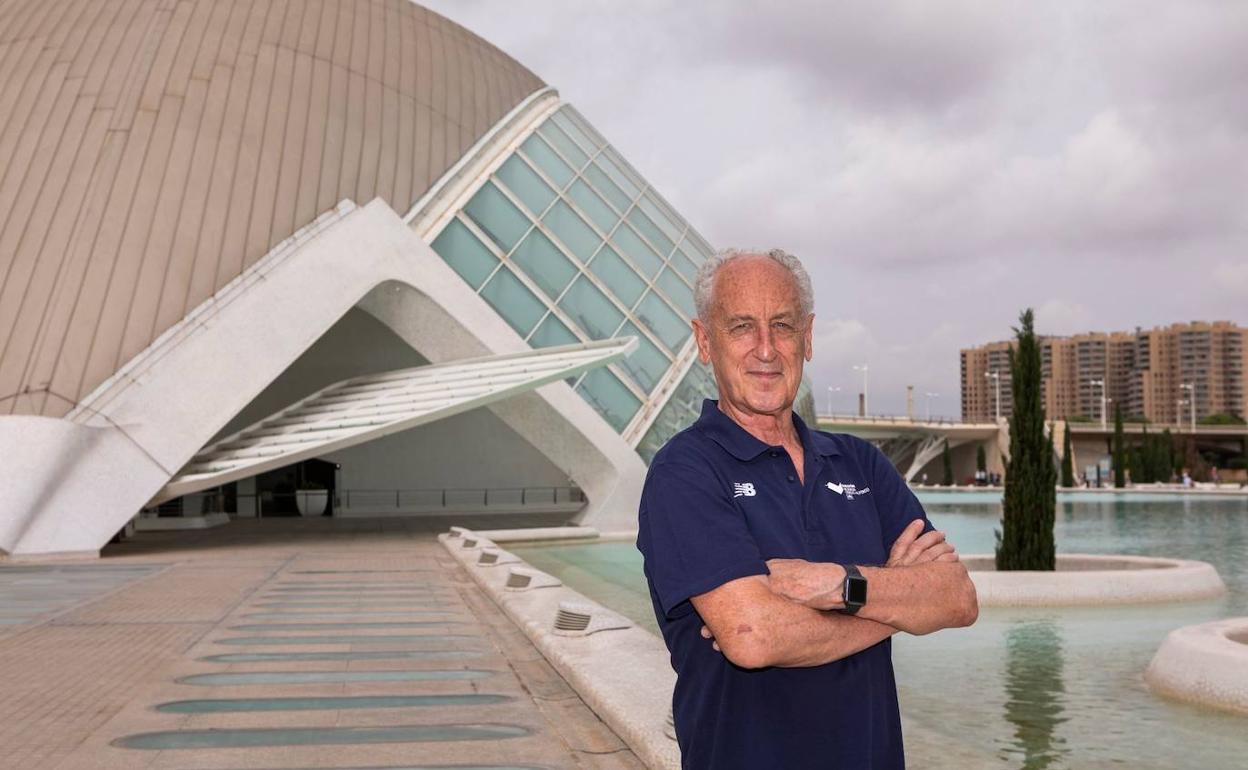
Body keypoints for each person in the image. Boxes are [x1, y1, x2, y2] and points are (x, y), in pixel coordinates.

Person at [637, 250, 978, 770]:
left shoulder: (861, 463)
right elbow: (753, 637)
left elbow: (957, 598)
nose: (766, 349)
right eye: (742, 327)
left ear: (809, 337)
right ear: (705, 342)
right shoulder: (684, 472)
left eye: (783, 326)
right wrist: (899, 607)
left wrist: (838, 585)